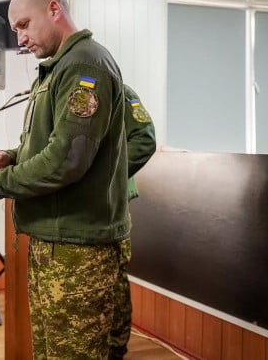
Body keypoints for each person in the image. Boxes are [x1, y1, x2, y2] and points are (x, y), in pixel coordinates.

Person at [0, 0, 129, 359]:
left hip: (78, 248)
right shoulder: (59, 67)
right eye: (15, 31)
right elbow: (48, 145)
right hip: (56, 240)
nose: (20, 40)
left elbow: (65, 161)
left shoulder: (84, 66)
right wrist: (7, 157)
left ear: (54, 10)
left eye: (24, 25)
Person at [109, 83, 156, 359]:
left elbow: (144, 140)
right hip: (88, 206)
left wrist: (106, 176)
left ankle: (116, 348)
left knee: (115, 279)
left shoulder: (116, 89)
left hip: (112, 200)